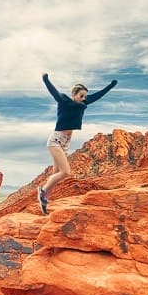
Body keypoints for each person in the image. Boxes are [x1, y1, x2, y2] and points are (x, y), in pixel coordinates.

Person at [38, 72, 117, 214]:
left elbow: (98, 95)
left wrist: (110, 86)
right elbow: (53, 92)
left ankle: (44, 196)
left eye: (85, 96)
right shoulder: (64, 101)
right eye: (81, 96)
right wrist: (46, 79)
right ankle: (43, 191)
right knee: (65, 172)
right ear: (74, 94)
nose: (83, 99)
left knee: (56, 172)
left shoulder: (84, 103)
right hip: (56, 140)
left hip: (65, 143)